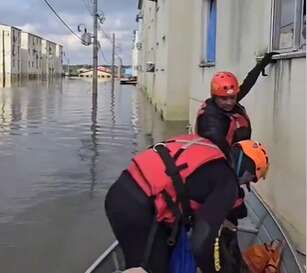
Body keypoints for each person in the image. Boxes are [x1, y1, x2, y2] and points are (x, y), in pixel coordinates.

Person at [105, 134, 269, 273]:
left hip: (122, 190)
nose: (245, 184)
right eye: (251, 179)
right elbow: (201, 243)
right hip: (137, 211)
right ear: (247, 172)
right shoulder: (227, 182)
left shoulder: (206, 148)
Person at [195, 52, 278, 158]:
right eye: (224, 99)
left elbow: (247, 84)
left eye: (233, 97)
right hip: (221, 163)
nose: (229, 102)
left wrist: (262, 64)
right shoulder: (209, 119)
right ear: (214, 96)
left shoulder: (225, 103)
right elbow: (219, 150)